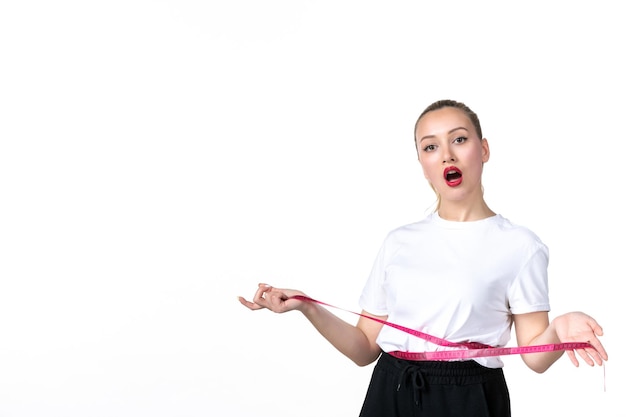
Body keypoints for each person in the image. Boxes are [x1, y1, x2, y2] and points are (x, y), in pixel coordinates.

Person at [238, 99, 608, 417]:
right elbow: (365, 348)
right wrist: (306, 306)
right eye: (430, 147)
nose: (446, 154)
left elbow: (534, 356)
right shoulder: (399, 242)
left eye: (459, 139)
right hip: (391, 389)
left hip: (469, 397)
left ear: (484, 150)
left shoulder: (521, 246)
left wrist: (558, 329)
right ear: (421, 162)